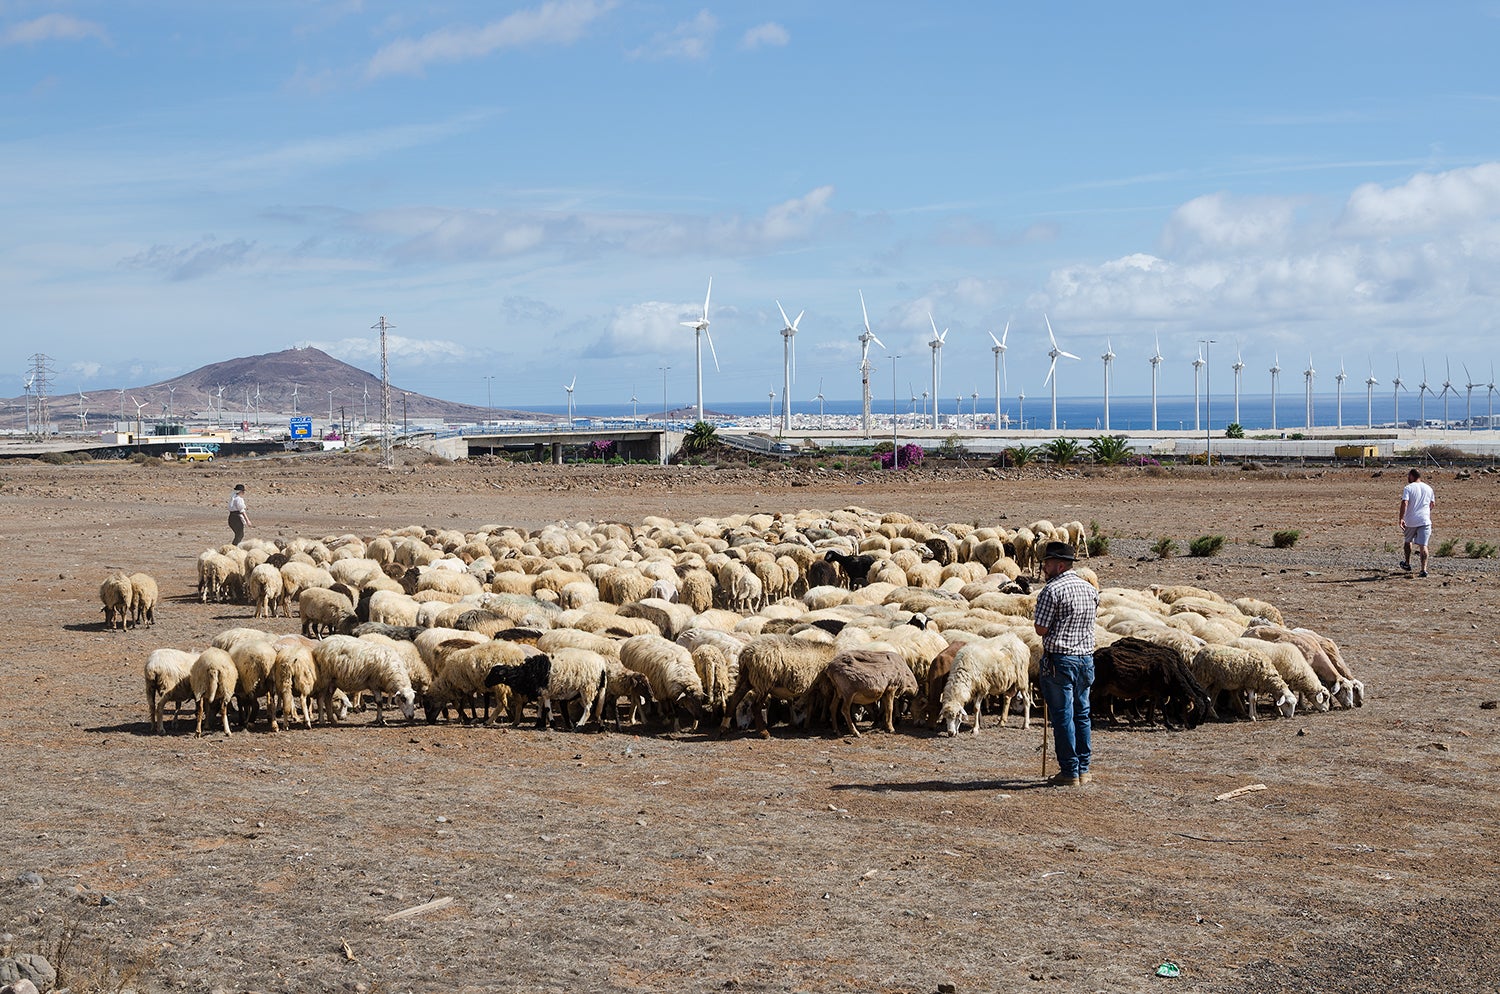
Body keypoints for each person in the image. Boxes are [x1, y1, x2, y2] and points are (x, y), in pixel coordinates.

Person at [1033, 541, 1100, 787]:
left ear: (1060, 565)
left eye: (1047, 563)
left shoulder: (1052, 591)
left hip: (1060, 660)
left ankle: (1070, 771)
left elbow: (1040, 629)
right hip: (1086, 659)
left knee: (1063, 716)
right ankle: (1084, 769)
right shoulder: (1090, 589)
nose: (1044, 567)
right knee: (1082, 714)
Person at [1399, 468, 1435, 578]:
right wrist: (1425, 512)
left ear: (1412, 476)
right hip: (1425, 520)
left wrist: (1401, 518)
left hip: (1411, 520)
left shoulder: (1408, 488)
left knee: (1408, 541)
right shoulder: (1429, 488)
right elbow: (1432, 504)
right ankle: (1423, 570)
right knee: (1423, 545)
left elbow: (1405, 502)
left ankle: (1407, 563)